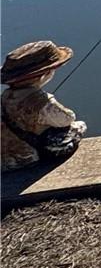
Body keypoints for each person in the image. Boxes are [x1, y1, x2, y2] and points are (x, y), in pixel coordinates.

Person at [2, 41, 86, 171]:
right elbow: (66, 119)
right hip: (29, 156)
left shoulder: (5, 97)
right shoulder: (39, 101)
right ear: (44, 75)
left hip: (9, 157)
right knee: (78, 127)